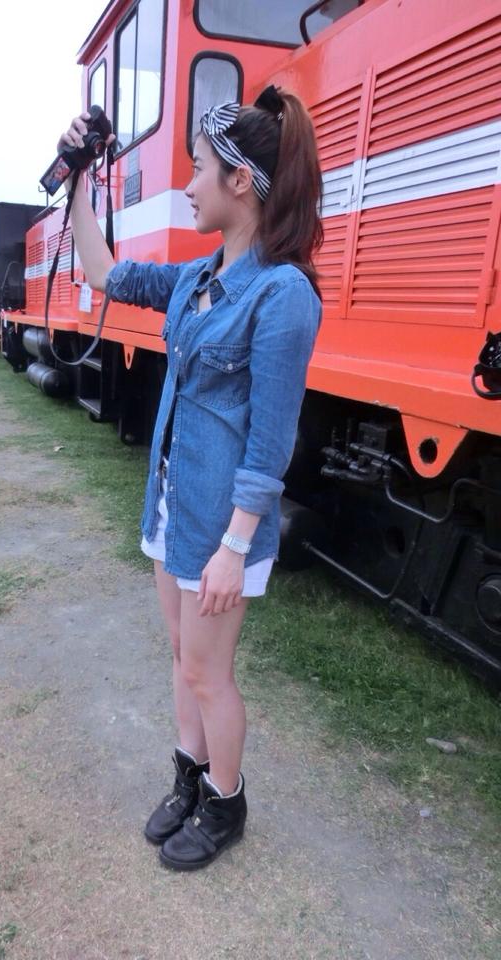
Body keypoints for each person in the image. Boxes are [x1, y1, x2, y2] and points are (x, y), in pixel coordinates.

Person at [59, 85, 323, 871]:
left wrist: (235, 548)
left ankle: (226, 801)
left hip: (221, 528)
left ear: (241, 181)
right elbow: (103, 271)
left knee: (209, 672)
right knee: (182, 656)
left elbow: (271, 443)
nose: (188, 184)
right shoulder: (193, 279)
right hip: (173, 506)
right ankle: (188, 776)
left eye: (199, 168)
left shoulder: (283, 295)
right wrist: (80, 175)